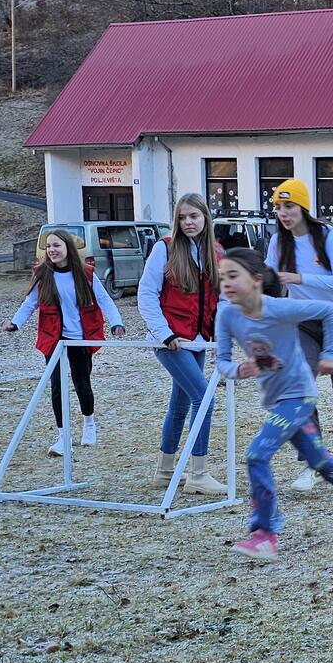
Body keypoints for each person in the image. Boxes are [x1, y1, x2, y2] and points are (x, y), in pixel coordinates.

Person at [214, 247, 333, 561]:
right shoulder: (226, 314)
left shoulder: (280, 308)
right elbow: (222, 361)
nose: (225, 283)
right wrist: (238, 370)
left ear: (256, 280)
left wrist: (331, 353)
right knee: (318, 462)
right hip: (275, 399)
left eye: (233, 276)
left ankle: (265, 533)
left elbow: (330, 312)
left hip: (298, 395)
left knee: (256, 456)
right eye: (222, 277)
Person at [264, 178, 333, 490]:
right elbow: (267, 281)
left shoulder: (325, 236)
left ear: (303, 208)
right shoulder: (277, 243)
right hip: (303, 323)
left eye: (289, 206)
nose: (283, 213)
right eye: (278, 207)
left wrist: (301, 278)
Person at [2, 228, 124, 454]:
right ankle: (62, 436)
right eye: (48, 246)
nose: (52, 250)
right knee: (57, 387)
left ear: (68, 247)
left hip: (80, 339)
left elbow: (105, 300)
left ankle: (89, 424)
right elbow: (30, 304)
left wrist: (117, 322)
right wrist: (15, 323)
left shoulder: (86, 274)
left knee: (82, 384)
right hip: (54, 339)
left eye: (56, 245)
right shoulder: (43, 275)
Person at [138, 193, 227, 495]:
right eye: (182, 217)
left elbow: (224, 299)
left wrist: (221, 338)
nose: (188, 222)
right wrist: (165, 334)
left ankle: (164, 471)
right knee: (204, 398)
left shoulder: (217, 252)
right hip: (171, 341)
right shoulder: (163, 248)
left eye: (194, 216)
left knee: (181, 403)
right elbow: (147, 294)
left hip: (199, 340)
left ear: (205, 218)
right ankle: (198, 473)